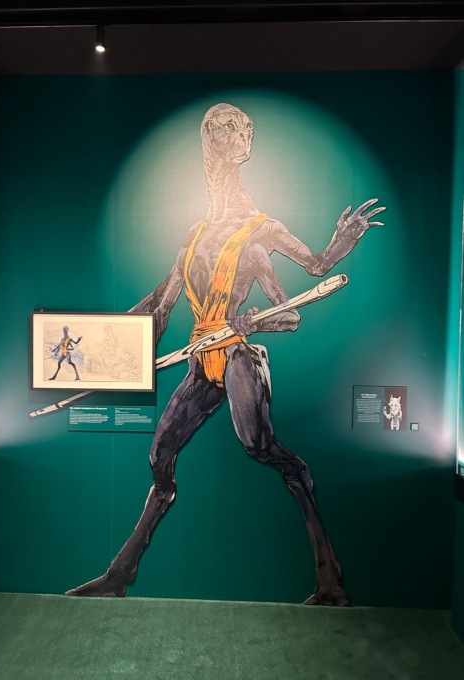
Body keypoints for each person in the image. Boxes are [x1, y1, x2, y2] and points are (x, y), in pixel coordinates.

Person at [66, 103, 385, 604]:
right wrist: (96, 362)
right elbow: (159, 307)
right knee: (160, 457)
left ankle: (328, 572)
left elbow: (300, 296)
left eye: (239, 127)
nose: (234, 135)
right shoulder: (193, 236)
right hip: (202, 359)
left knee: (260, 448)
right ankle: (119, 575)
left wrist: (255, 319)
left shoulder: (260, 232)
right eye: (223, 128)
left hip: (238, 356)